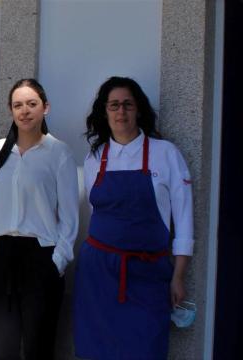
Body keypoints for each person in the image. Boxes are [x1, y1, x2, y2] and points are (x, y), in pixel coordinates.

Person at [73, 76, 193, 359]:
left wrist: (178, 276)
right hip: (98, 275)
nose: (121, 112)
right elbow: (96, 213)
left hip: (148, 274)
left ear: (138, 109)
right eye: (114, 105)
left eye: (127, 104)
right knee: (96, 350)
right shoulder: (95, 158)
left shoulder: (166, 154)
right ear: (105, 111)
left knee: (146, 347)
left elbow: (184, 220)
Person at [0, 79, 79, 359]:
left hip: (41, 257)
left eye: (31, 104)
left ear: (45, 108)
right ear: (11, 111)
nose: (24, 111)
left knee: (39, 346)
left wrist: (57, 262)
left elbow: (70, 215)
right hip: (2, 254)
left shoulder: (58, 152)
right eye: (18, 105)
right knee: (2, 347)